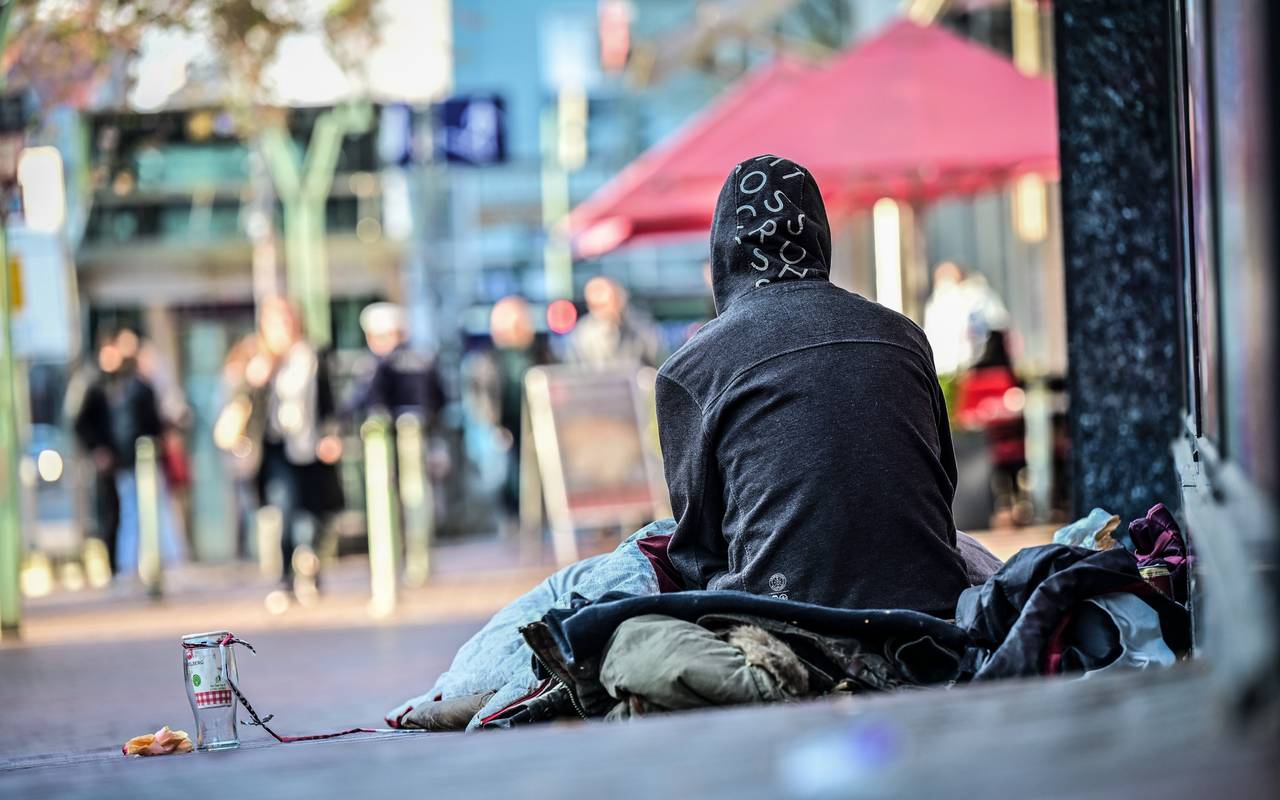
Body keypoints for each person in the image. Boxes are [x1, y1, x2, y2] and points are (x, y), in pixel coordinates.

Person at [654, 155, 971, 616]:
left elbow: (696, 554)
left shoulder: (692, 368)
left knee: (644, 550)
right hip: (932, 604)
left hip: (785, 615)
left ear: (723, 250)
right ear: (819, 237)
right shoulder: (903, 336)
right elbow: (940, 489)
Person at [246, 297, 344, 598]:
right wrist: (255, 381)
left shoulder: (314, 355)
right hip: (277, 447)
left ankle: (312, 569)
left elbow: (329, 399)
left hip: (311, 445)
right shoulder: (261, 359)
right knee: (285, 510)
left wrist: (331, 434)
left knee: (315, 511)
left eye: (288, 320)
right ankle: (286, 579)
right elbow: (245, 403)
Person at [72, 329, 183, 575]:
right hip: (120, 460)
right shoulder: (98, 384)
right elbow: (82, 422)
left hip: (132, 458)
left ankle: (145, 563)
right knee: (122, 513)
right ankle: (124, 565)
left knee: (143, 510)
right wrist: (99, 449)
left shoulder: (132, 383)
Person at [347, 302, 446, 422]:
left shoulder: (374, 365)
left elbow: (359, 402)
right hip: (426, 431)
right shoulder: (425, 359)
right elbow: (440, 401)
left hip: (388, 433)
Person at [567, 276, 662, 369]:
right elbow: (576, 370)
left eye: (605, 304)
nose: (602, 311)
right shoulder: (582, 333)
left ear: (619, 299)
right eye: (596, 306)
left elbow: (656, 362)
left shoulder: (641, 327)